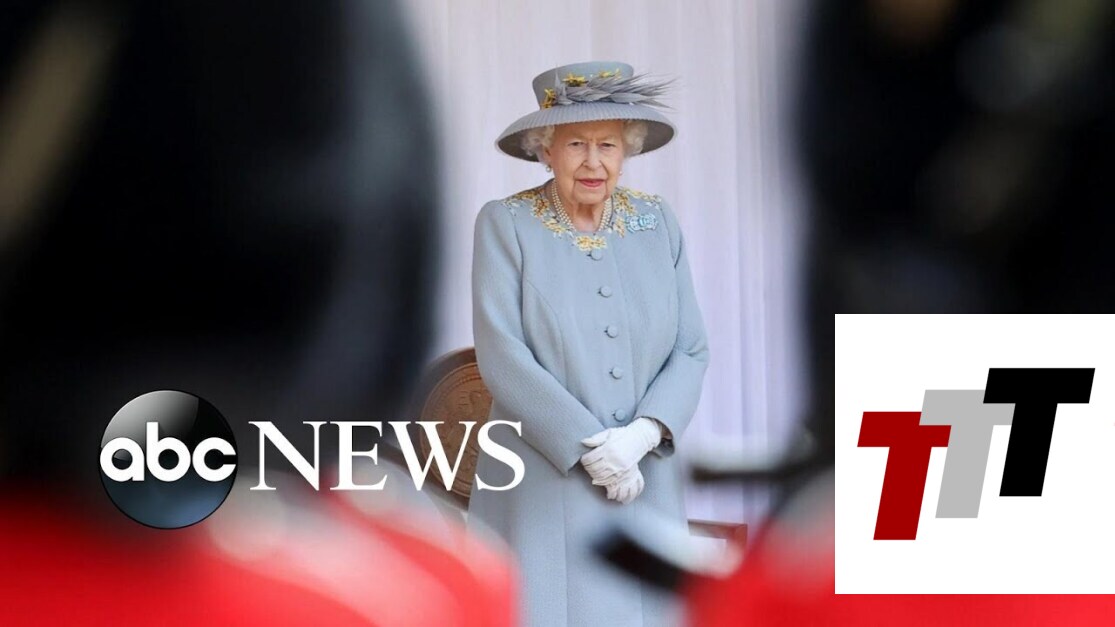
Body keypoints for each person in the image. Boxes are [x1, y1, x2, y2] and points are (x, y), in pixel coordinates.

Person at [469, 61, 709, 626]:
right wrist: (592, 450)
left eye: (608, 144)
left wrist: (642, 435)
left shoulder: (657, 221)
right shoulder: (506, 224)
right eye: (576, 143)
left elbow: (691, 349)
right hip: (544, 478)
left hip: (647, 474)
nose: (593, 162)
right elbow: (502, 354)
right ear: (545, 150)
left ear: (627, 149)